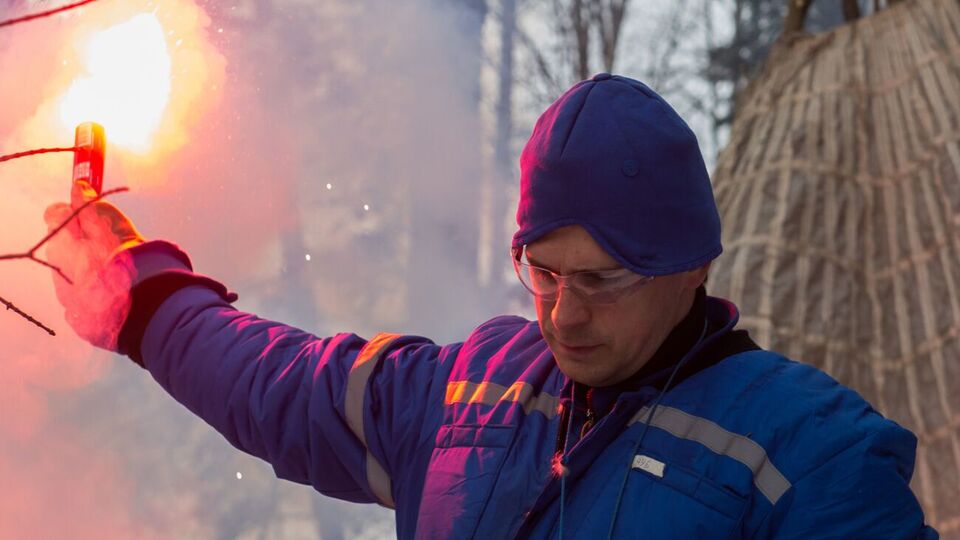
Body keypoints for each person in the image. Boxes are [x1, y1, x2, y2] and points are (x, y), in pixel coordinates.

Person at [44, 74, 938, 539]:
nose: (563, 316)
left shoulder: (812, 454)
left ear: (688, 266)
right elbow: (282, 385)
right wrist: (142, 298)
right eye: (543, 273)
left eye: (602, 279)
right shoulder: (474, 392)